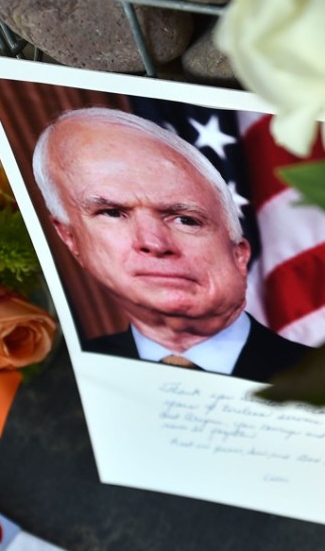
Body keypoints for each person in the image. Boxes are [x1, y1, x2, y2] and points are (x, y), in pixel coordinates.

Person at [32, 107, 309, 383]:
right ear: (70, 237)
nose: (153, 243)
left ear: (239, 255)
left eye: (186, 220)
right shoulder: (72, 378)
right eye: (113, 213)